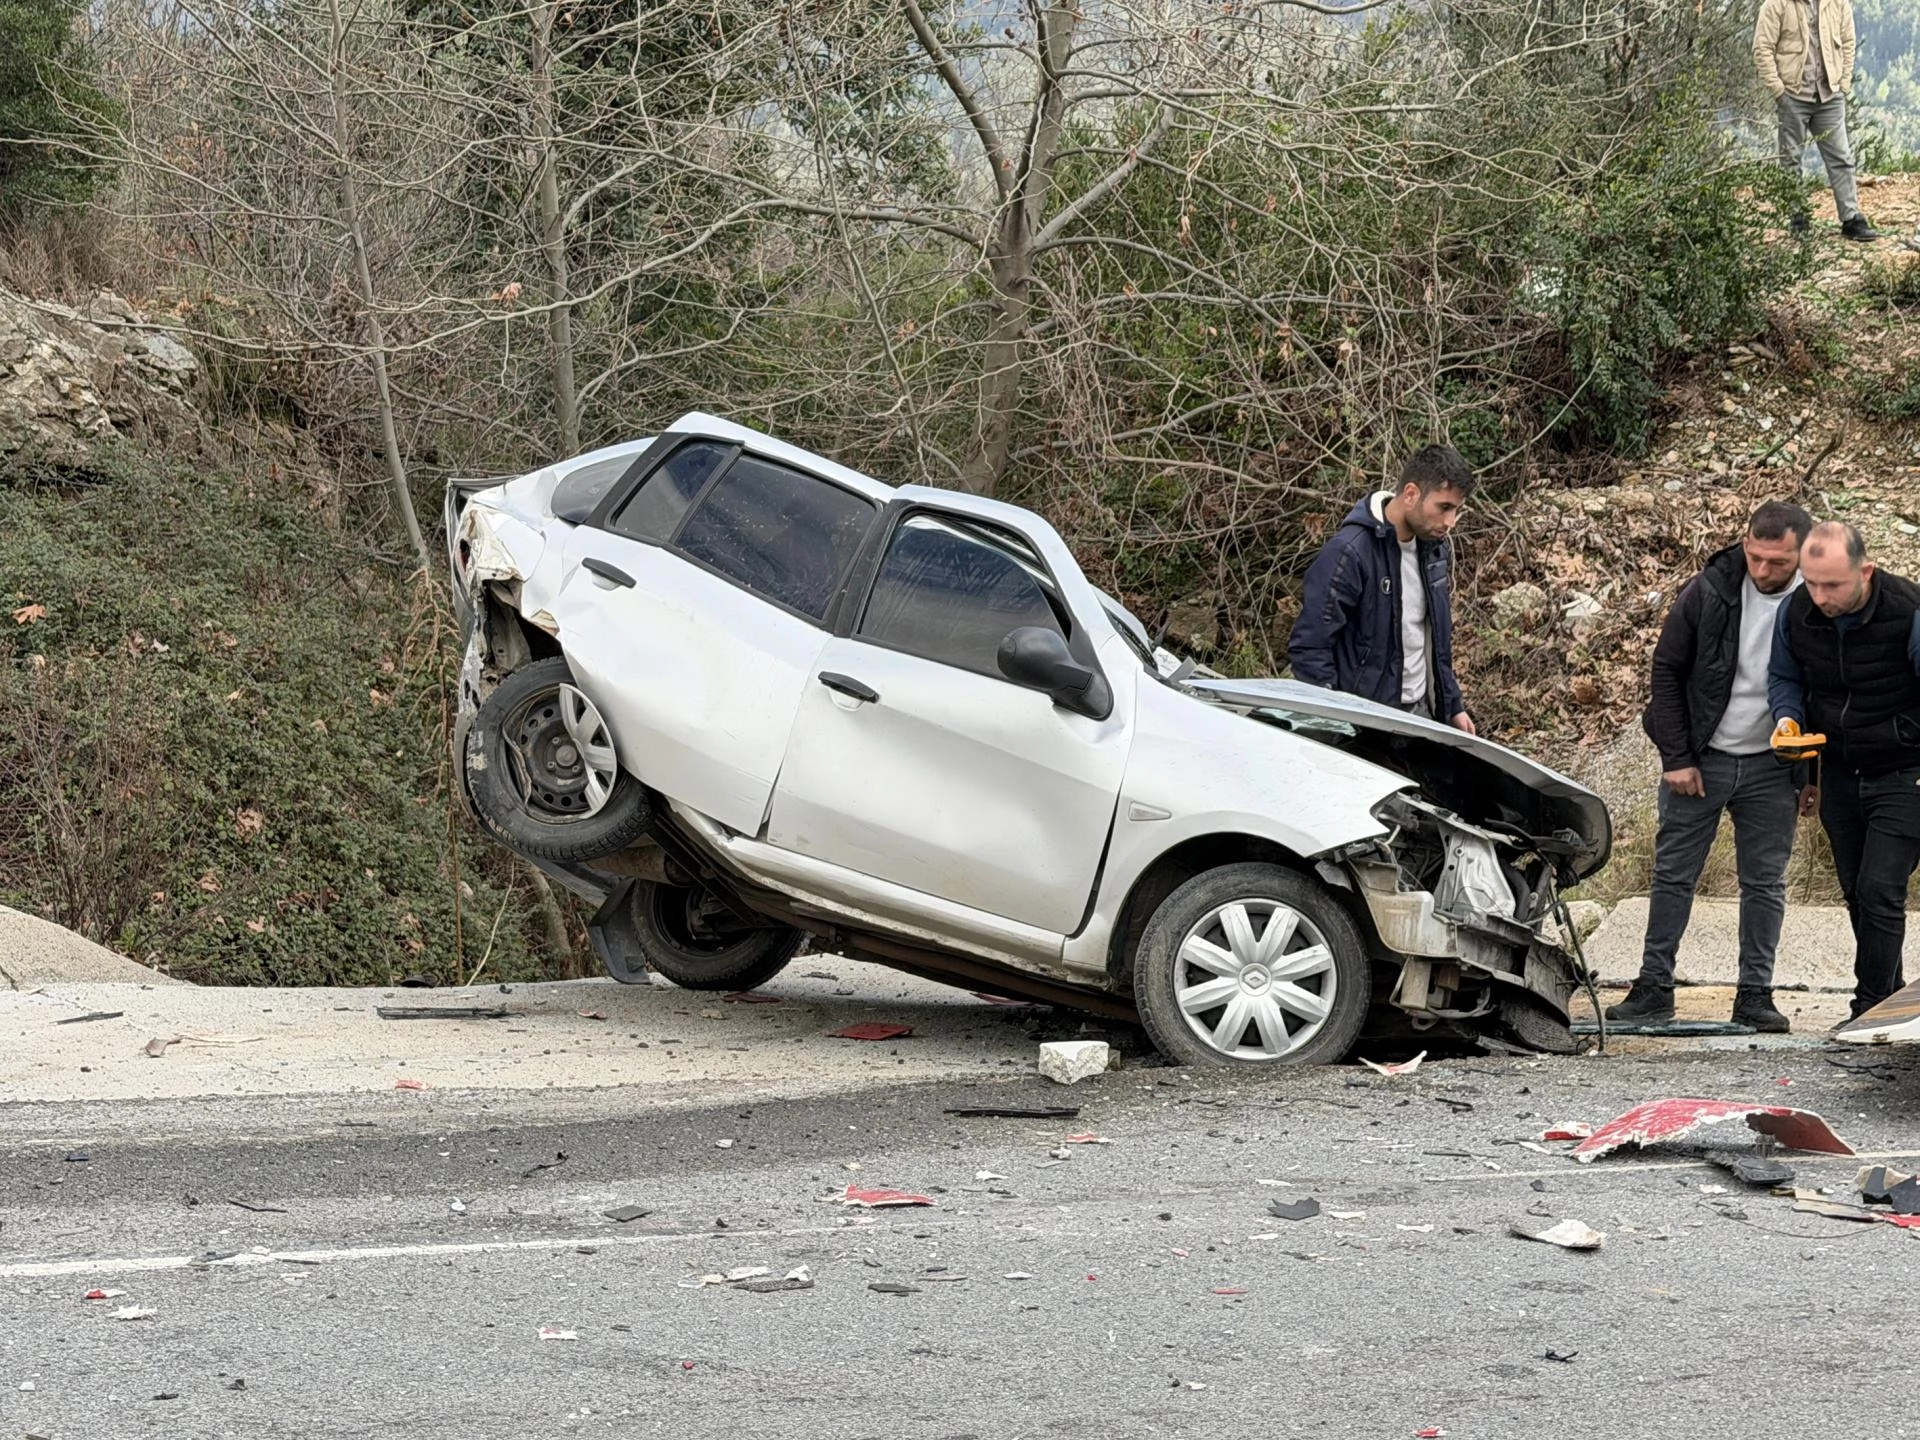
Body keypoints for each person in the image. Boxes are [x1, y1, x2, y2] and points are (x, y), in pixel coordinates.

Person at [1607, 502, 1815, 1032]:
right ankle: (1653, 988)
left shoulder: (1818, 600)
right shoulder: (1709, 590)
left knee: (1765, 883)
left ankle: (1755, 995)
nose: (1763, 571)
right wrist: (1676, 757)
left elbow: (1828, 691)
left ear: (1803, 555)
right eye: (1756, 557)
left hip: (1774, 766)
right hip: (1703, 758)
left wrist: (1810, 775)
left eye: (1778, 562)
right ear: (1745, 544)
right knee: (1673, 876)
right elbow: (1666, 669)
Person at [1768, 521, 1920, 1021]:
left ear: (1865, 571)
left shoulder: (1909, 610)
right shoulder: (1796, 611)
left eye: (1832, 585)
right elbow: (1785, 676)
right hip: (1836, 769)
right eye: (1811, 583)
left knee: (1880, 888)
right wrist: (1787, 721)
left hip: (1904, 769)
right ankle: (1890, 996)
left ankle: (1869, 1007)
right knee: (1856, 890)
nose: (1820, 597)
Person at [1287, 446, 1476, 733]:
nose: (1450, 522)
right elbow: (1310, 647)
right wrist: (1336, 723)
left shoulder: (1434, 551)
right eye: (1444, 507)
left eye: (1456, 510)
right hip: (1365, 722)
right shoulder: (1350, 552)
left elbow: (1435, 640)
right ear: (1410, 494)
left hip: (1421, 714)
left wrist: (1452, 704)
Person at [1753, 0, 1880, 243]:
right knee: (1791, 159)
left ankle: (1851, 218)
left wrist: (1843, 85)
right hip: (1793, 94)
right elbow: (1762, 47)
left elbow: (1848, 42)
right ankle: (1797, 217)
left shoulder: (1838, 2)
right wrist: (1779, 91)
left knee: (1841, 158)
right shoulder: (1776, 4)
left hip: (1829, 95)